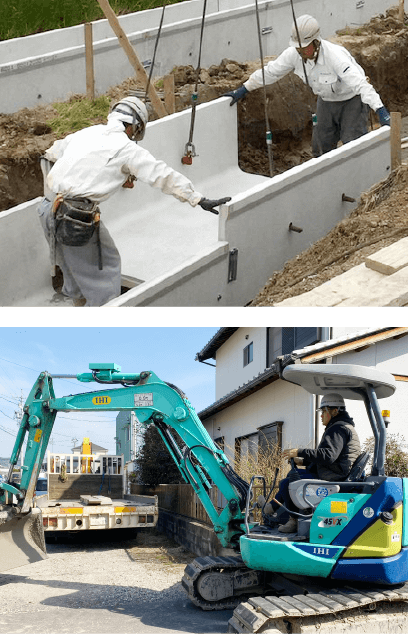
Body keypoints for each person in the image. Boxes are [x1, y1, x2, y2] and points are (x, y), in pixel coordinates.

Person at [38, 96, 231, 307]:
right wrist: (197, 198)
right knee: (107, 267)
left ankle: (79, 303)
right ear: (134, 127)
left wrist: (60, 189)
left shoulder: (88, 132)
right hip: (75, 216)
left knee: (72, 266)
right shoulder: (126, 149)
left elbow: (50, 154)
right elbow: (162, 175)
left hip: (47, 208)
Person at [226, 15, 390, 157]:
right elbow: (271, 72)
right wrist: (244, 88)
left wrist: (380, 109)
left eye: (305, 47)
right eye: (298, 47)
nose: (301, 51)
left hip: (351, 101)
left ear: (316, 42)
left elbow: (360, 83)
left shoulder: (335, 56)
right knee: (320, 146)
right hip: (326, 101)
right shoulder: (293, 54)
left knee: (353, 144)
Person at [268, 393, 361, 533]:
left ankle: (292, 520)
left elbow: (328, 456)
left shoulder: (338, 429)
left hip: (334, 477)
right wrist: (303, 460)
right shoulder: (341, 427)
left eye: (324, 411)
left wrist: (299, 452)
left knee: (287, 483)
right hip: (334, 473)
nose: (321, 415)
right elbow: (328, 457)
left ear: (335, 411)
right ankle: (272, 508)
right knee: (292, 475)